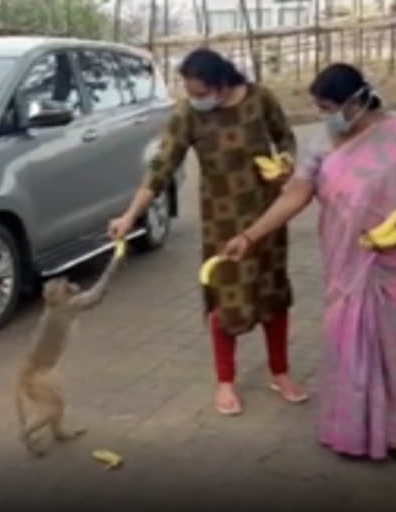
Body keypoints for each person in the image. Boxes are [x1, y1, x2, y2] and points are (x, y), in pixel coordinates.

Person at [221, 63, 396, 462]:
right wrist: (249, 236)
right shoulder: (323, 143)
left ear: (356, 101)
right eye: (319, 108)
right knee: (345, 340)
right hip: (345, 259)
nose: (325, 116)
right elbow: (295, 194)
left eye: (328, 106)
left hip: (394, 260)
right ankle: (350, 429)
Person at [108, 48, 308, 416]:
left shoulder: (260, 98)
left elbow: (285, 138)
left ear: (221, 83)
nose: (194, 100)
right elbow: (160, 168)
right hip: (222, 221)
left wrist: (285, 164)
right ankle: (226, 381)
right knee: (225, 298)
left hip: (268, 216)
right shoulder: (187, 115)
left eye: (200, 93)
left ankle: (280, 372)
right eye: (190, 92)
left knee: (273, 292)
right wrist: (129, 216)